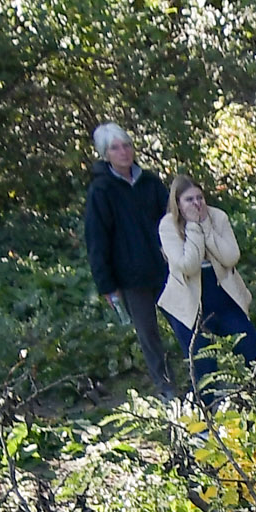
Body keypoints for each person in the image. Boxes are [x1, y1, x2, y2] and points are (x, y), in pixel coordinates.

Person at [81, 123, 178, 402]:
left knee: (186, 322)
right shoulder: (101, 190)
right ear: (105, 154)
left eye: (126, 145)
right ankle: (167, 388)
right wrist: (107, 285)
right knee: (149, 335)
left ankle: (205, 376)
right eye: (115, 148)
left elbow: (171, 218)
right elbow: (97, 239)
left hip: (165, 269)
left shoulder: (150, 182)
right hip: (130, 277)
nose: (123, 152)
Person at [155, 176, 256, 405]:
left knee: (254, 354)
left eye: (200, 198)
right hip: (188, 304)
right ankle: (207, 421)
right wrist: (194, 227)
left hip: (223, 295)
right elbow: (188, 265)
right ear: (178, 203)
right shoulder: (167, 225)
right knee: (204, 368)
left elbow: (231, 256)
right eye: (189, 200)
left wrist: (206, 227)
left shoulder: (217, 217)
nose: (197, 204)